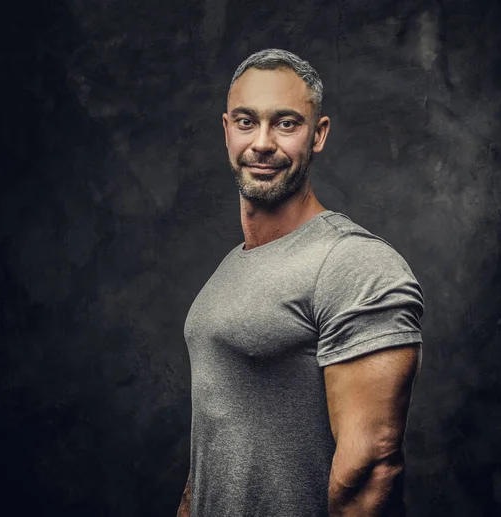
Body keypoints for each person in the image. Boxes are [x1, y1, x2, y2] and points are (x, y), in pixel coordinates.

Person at [177, 48, 425, 517]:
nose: (263, 143)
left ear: (318, 134)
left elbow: (370, 472)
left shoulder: (353, 262)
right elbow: (216, 443)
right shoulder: (233, 266)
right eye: (247, 122)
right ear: (227, 130)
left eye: (286, 123)